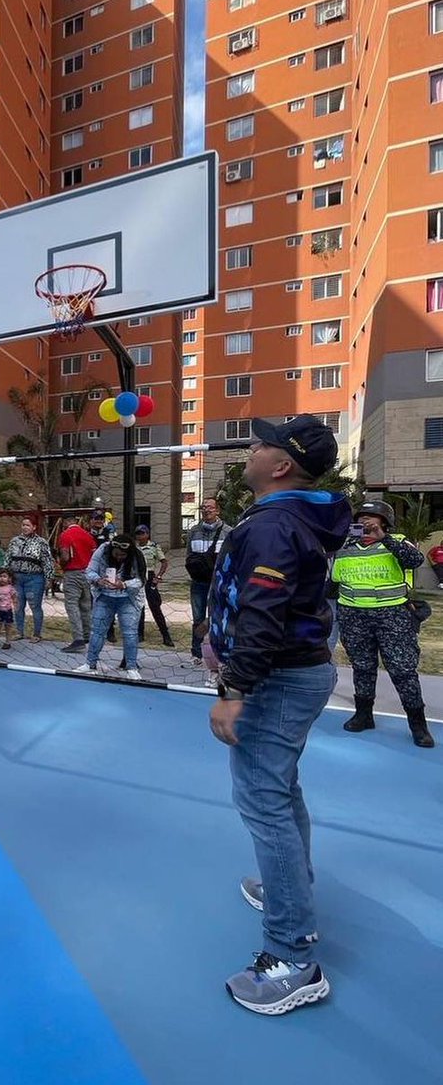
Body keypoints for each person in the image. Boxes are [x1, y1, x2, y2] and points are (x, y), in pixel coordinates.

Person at [206, 415, 350, 1016]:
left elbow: (264, 613)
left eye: (262, 444)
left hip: (277, 678)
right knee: (281, 789)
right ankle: (289, 888)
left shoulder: (275, 525)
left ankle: (293, 955)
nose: (252, 448)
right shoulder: (291, 519)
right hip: (294, 671)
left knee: (263, 798)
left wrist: (234, 687)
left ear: (282, 464)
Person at [331, 500, 434, 748]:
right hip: (354, 615)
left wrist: (384, 538)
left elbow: (414, 560)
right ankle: (364, 714)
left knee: (402, 670)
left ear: (385, 521)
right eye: (362, 517)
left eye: (372, 517)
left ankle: (418, 724)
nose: (366, 522)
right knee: (362, 667)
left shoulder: (397, 541)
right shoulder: (345, 545)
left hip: (392, 616)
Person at [76, 535, 146, 680]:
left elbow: (140, 581)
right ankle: (90, 664)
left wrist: (124, 584)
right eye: (116, 554)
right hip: (105, 597)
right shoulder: (102, 550)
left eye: (123, 555)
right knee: (98, 631)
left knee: (130, 633)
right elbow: (89, 571)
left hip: (128, 599)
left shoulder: (136, 555)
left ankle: (131, 667)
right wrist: (98, 580)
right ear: (111, 550)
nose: (120, 557)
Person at [185, 498, 231, 665]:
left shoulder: (228, 532)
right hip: (198, 581)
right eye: (203, 507)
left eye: (210, 507)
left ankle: (217, 653)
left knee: (216, 617)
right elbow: (188, 555)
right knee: (198, 618)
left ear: (217, 510)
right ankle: (196, 654)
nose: (206, 510)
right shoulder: (193, 531)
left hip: (218, 583)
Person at [7, 517, 54, 642]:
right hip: (17, 577)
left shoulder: (41, 542)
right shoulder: (14, 541)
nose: (25, 527)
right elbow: (8, 558)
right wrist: (5, 574)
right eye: (23, 525)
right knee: (18, 605)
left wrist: (49, 578)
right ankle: (19, 632)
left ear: (34, 527)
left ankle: (37, 634)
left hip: (34, 578)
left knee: (35, 606)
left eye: (28, 525)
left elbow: (47, 561)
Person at [57, 515, 97, 653]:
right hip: (87, 572)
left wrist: (61, 565)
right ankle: (88, 635)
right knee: (86, 605)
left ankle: (78, 638)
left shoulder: (65, 535)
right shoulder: (88, 535)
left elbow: (65, 556)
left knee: (72, 605)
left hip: (72, 572)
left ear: (66, 522)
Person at [134, 525, 175, 647]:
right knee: (139, 607)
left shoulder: (154, 547)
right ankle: (139, 634)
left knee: (155, 607)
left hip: (150, 576)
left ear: (147, 534)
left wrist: (158, 577)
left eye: (142, 533)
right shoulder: (135, 548)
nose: (140, 536)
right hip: (137, 577)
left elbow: (164, 562)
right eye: (138, 534)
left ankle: (165, 635)